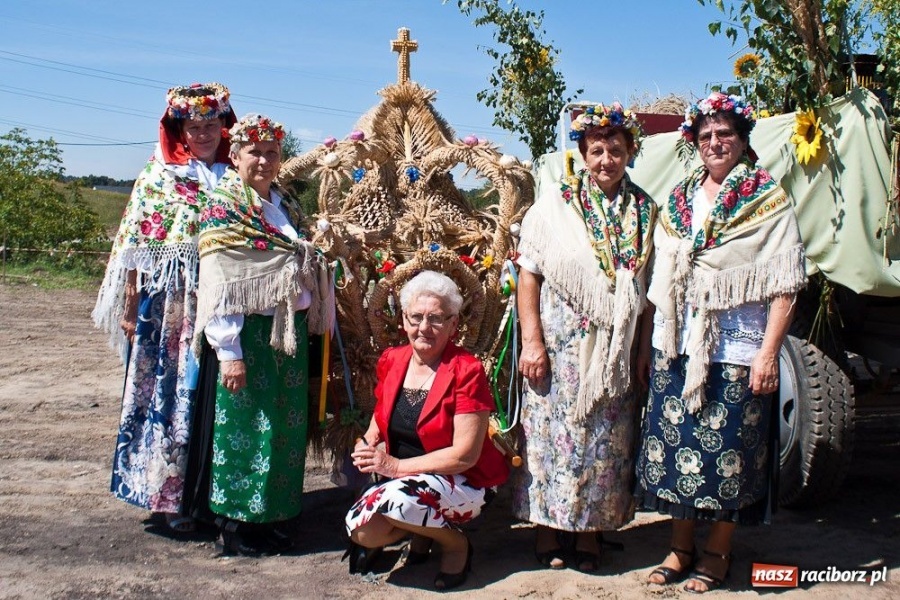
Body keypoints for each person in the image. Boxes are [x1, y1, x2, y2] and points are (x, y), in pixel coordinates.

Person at [635, 92, 806, 593]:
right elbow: (659, 278)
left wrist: (769, 352)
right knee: (677, 449)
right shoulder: (680, 198)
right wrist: (649, 345)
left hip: (737, 351)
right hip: (679, 345)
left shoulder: (767, 200)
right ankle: (679, 546)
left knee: (729, 454)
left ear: (742, 138)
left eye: (725, 133)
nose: (715, 142)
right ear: (695, 142)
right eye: (706, 135)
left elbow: (785, 281)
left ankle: (717, 552)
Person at [512, 102, 657, 572]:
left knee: (604, 440)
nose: (606, 160)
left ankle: (592, 531)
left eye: (615, 150)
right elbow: (528, 276)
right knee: (552, 437)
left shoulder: (645, 211)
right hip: (558, 347)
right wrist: (532, 342)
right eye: (596, 150)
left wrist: (639, 349)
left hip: (612, 351)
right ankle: (549, 529)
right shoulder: (553, 206)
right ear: (582, 153)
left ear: (630, 152)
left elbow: (647, 291)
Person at [93, 82, 236, 533]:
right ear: (179, 129)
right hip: (171, 305)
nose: (203, 133)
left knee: (218, 398)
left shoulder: (238, 176)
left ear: (223, 125)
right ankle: (168, 497)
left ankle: (217, 496)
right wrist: (131, 306)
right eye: (194, 127)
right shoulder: (159, 177)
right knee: (171, 396)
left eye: (211, 124)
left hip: (225, 301)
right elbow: (135, 246)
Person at [193, 113, 331, 555]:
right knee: (246, 429)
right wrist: (229, 352)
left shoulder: (286, 204)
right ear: (234, 157)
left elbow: (296, 258)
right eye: (255, 151)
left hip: (287, 335)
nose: (265, 160)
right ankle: (238, 525)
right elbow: (221, 285)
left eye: (273, 152)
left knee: (284, 430)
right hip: (248, 336)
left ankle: (275, 516)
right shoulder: (225, 209)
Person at [345, 270, 509, 590]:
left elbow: (465, 456)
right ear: (403, 320)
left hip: (464, 482)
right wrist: (367, 443)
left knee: (399, 501)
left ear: (453, 324)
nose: (424, 328)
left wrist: (394, 466)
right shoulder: (393, 359)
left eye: (435, 318)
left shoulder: (466, 370)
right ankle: (423, 532)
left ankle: (454, 544)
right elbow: (382, 416)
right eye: (416, 317)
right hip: (408, 482)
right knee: (361, 527)